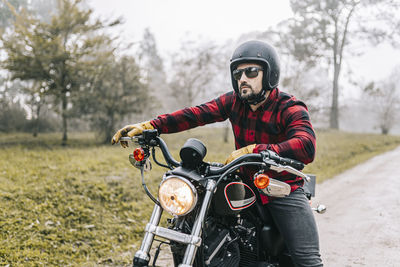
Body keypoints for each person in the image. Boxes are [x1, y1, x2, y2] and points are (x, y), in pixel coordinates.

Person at [112, 40, 323, 267]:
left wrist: (257, 149)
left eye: (251, 72)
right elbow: (195, 115)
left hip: (281, 187)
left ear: (270, 74)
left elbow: (306, 145)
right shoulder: (233, 102)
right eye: (238, 73)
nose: (243, 78)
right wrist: (151, 126)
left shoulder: (289, 107)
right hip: (245, 183)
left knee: (307, 260)